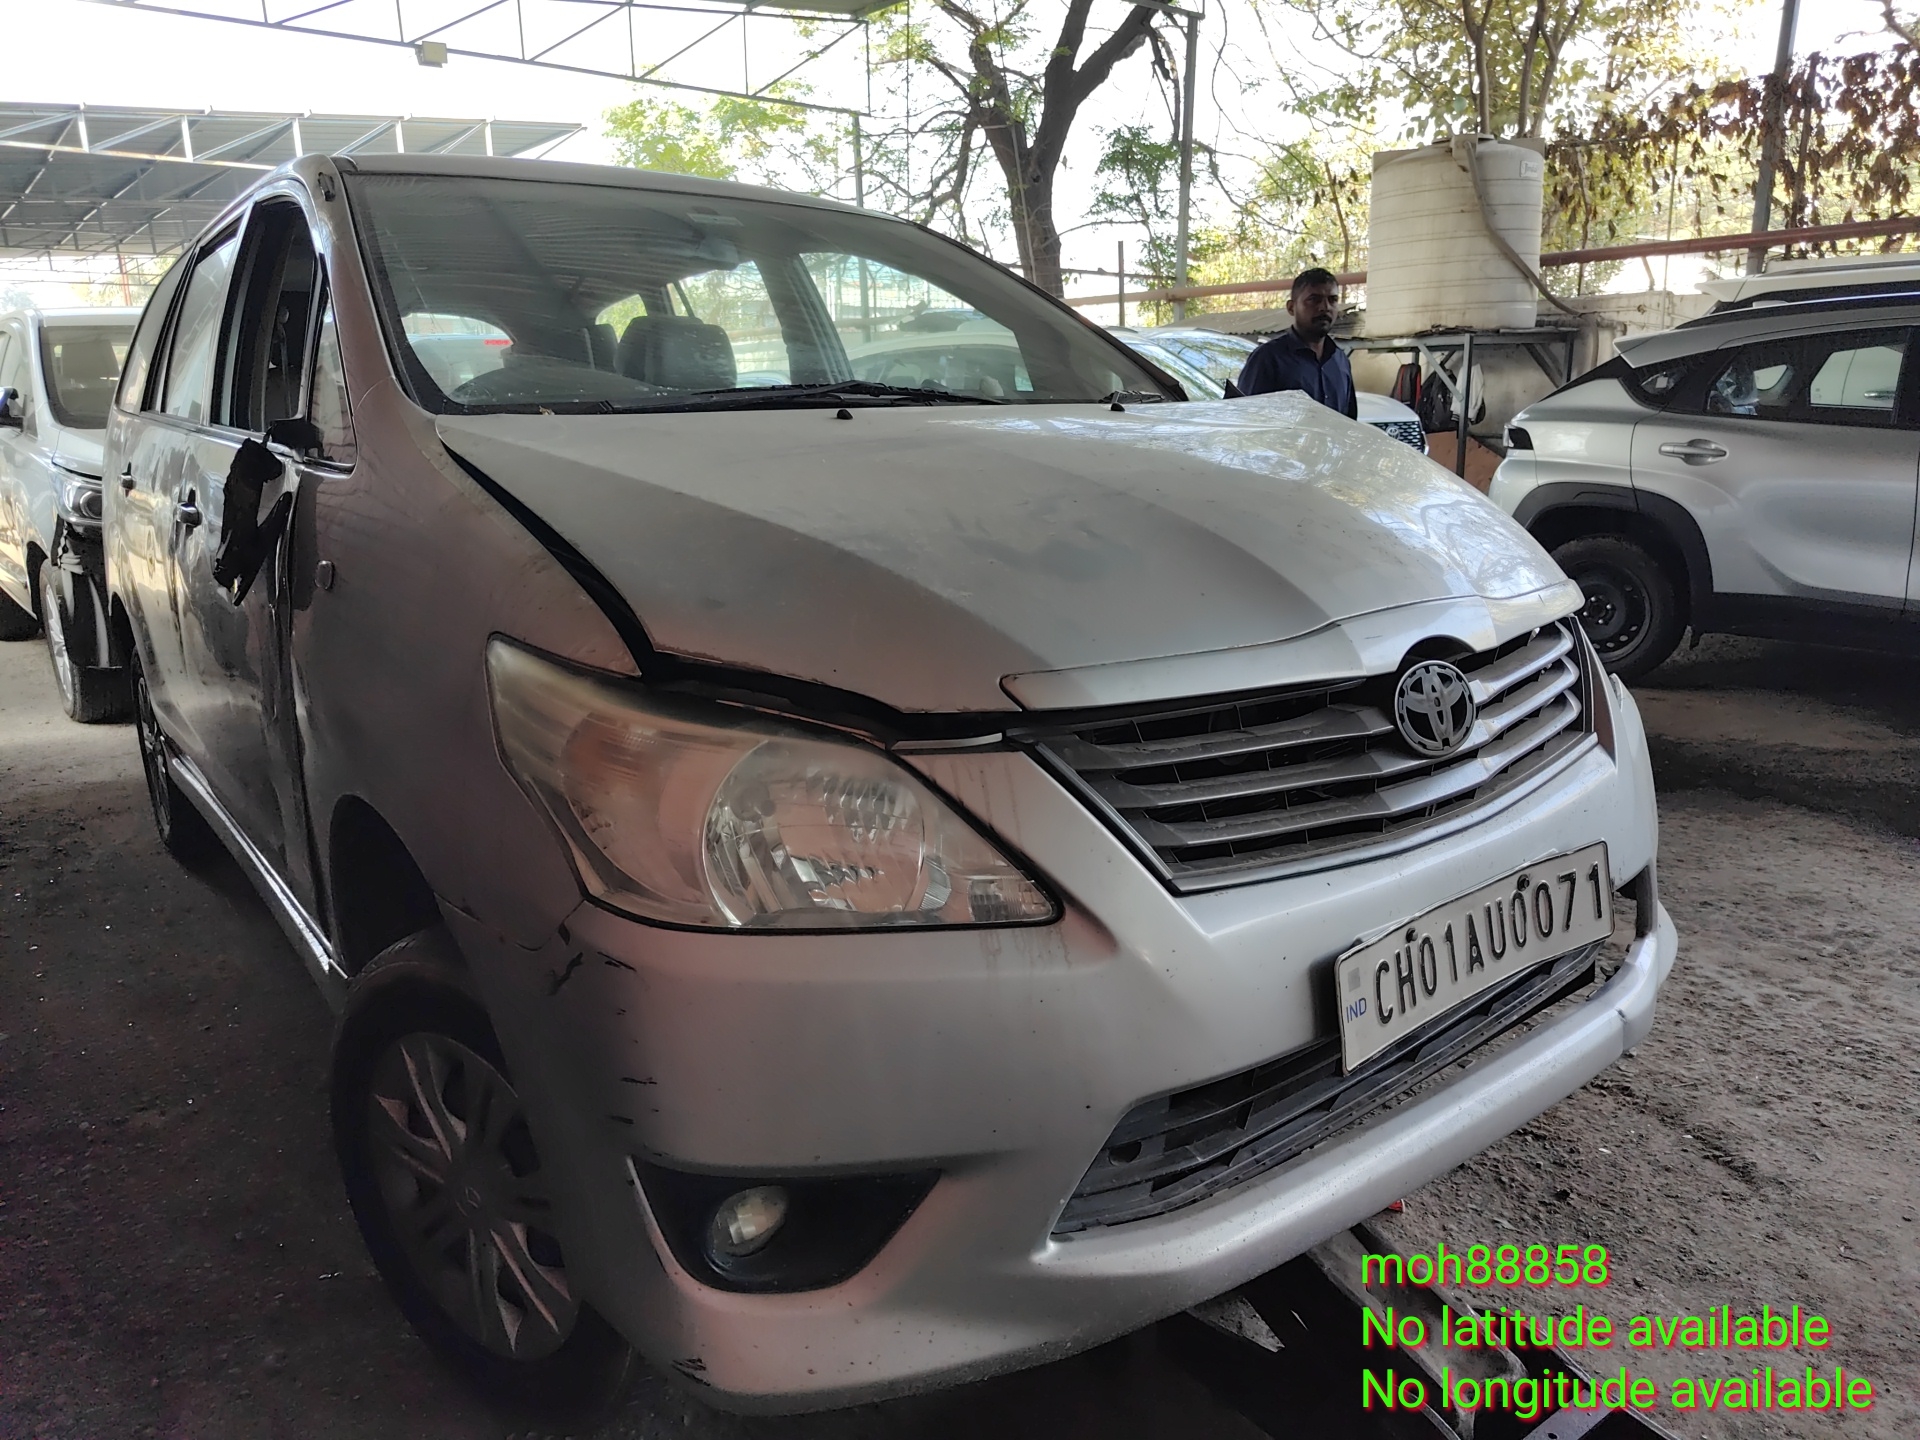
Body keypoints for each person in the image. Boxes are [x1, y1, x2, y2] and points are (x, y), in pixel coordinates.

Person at [1235, 267, 1357, 419]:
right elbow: (1246, 421)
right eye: (1314, 299)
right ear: (1291, 307)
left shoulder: (1340, 361)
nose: (1325, 307)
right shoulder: (1268, 359)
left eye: (1332, 300)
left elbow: (1350, 424)